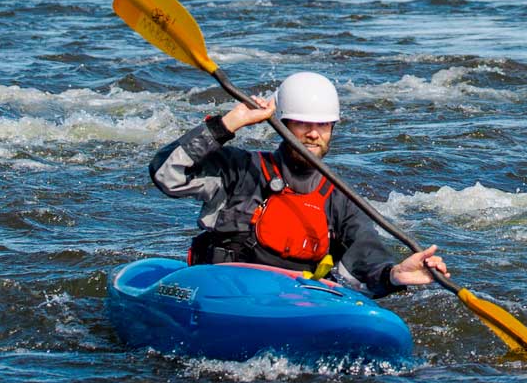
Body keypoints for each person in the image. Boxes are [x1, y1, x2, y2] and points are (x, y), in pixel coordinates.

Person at [149, 71, 448, 299]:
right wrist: (227, 124)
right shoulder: (239, 169)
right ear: (283, 124)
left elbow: (365, 256)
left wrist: (395, 275)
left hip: (289, 302)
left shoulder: (339, 197)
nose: (314, 134)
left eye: (323, 125)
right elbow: (166, 173)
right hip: (224, 294)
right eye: (303, 124)